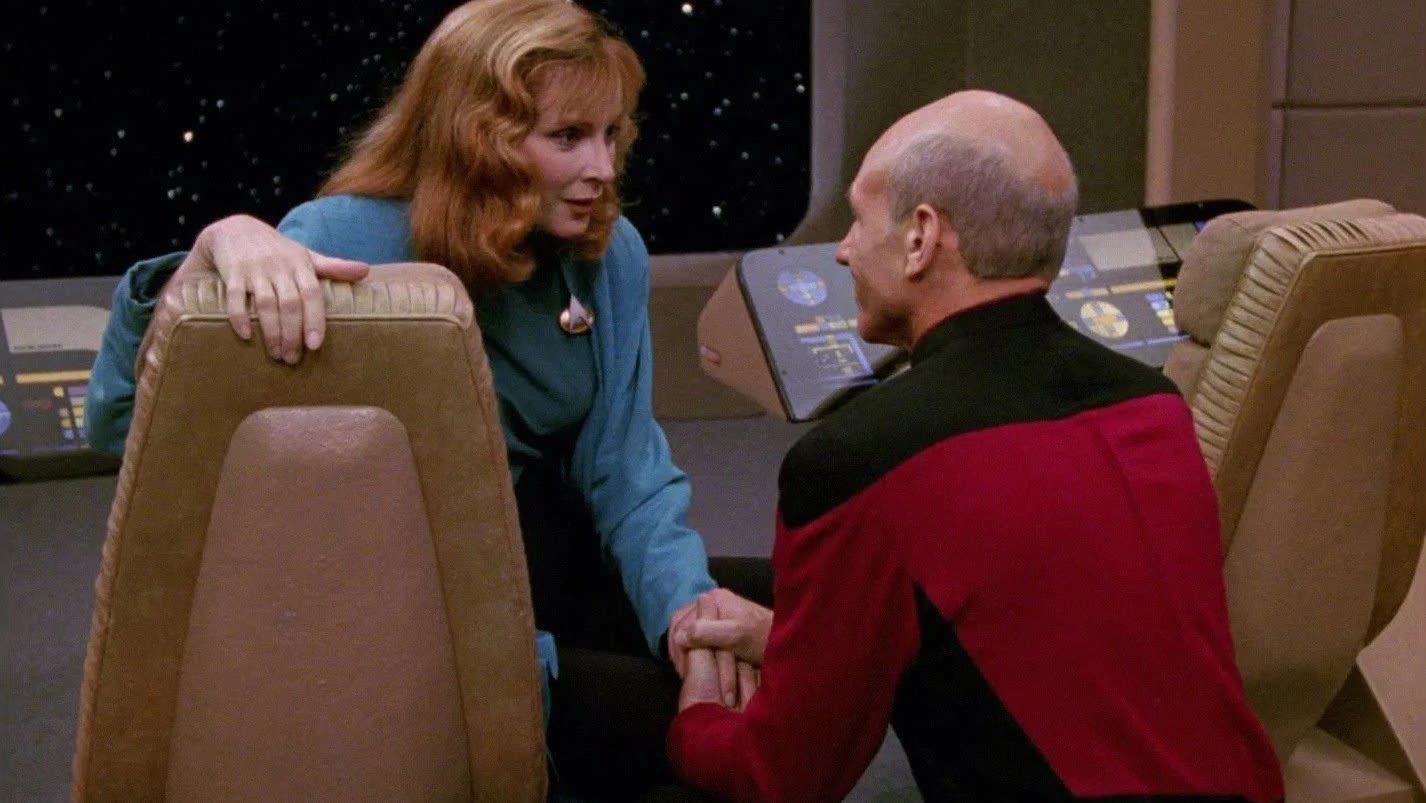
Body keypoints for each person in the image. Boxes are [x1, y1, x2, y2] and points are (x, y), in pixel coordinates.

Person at [85, 0, 766, 798]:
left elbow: (628, 471)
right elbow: (127, 429)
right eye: (568, 137)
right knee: (717, 735)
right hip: (415, 612)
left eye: (611, 134)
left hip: (550, 562)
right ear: (479, 136)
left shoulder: (607, 253)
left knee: (791, 635)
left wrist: (688, 615)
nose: (603, 169)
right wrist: (210, 251)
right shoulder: (340, 241)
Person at [666, 90, 1285, 802]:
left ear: (921, 238)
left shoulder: (858, 463)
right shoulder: (1158, 408)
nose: (841, 250)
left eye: (859, 220)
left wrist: (694, 712)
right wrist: (788, 641)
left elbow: (780, 777)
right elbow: (1032, 653)